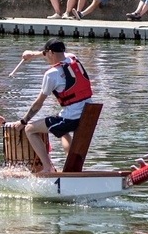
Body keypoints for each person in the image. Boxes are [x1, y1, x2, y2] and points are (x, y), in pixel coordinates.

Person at [14, 38, 93, 174]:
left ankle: (47, 168)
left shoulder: (51, 74)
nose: (46, 58)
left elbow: (38, 104)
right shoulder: (72, 57)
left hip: (72, 117)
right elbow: (56, 53)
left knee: (30, 129)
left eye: (46, 55)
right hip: (89, 113)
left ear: (50, 52)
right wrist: (33, 55)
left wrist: (23, 121)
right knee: (62, 131)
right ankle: (72, 168)